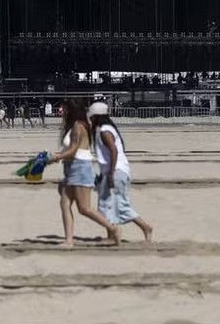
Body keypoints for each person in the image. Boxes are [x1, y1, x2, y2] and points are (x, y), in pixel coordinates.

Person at [49, 98, 120, 248]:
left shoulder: (78, 126)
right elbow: (70, 149)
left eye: (64, 109)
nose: (62, 112)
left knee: (84, 208)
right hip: (71, 168)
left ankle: (113, 229)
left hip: (80, 168)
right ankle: (69, 240)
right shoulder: (75, 125)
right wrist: (56, 157)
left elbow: (74, 149)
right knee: (64, 203)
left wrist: (58, 156)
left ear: (71, 110)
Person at [88, 101, 153, 243]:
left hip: (116, 171)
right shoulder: (105, 129)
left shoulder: (105, 131)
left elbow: (113, 151)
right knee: (107, 204)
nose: (90, 120)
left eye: (92, 117)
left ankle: (145, 227)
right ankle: (112, 235)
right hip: (113, 171)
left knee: (119, 205)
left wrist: (110, 174)